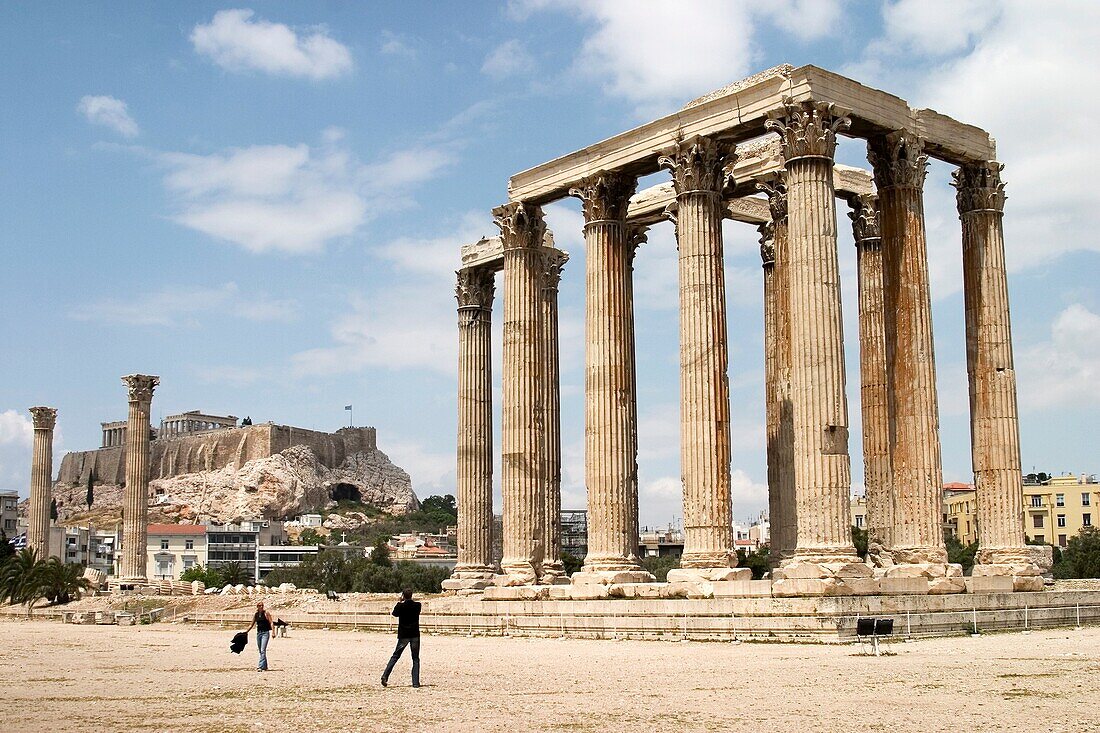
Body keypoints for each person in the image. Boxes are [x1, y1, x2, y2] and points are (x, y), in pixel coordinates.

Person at [381, 588, 421, 688]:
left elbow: (394, 614)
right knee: (415, 659)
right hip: (415, 634)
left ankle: (385, 676)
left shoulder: (400, 606)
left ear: (403, 595)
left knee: (395, 656)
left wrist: (400, 601)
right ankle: (415, 682)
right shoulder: (417, 605)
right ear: (412, 595)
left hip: (404, 635)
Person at [245, 600, 274, 671]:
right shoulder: (256, 614)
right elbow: (251, 625)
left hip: (265, 633)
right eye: (260, 605)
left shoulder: (266, 613)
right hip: (259, 633)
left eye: (262, 605)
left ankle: (260, 666)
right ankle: (265, 666)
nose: (261, 607)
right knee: (261, 651)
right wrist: (246, 632)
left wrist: (273, 632)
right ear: (257, 607)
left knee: (262, 650)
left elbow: (271, 622)